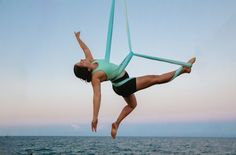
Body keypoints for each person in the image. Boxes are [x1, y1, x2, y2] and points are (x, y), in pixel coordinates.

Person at [73, 31, 196, 139]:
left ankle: (116, 123)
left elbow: (86, 50)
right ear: (86, 70)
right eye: (81, 63)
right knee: (155, 79)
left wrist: (78, 38)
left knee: (133, 105)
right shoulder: (95, 77)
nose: (82, 60)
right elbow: (97, 97)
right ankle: (184, 69)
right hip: (123, 84)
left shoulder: (91, 61)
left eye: (80, 61)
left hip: (120, 83)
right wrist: (95, 117)